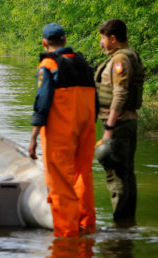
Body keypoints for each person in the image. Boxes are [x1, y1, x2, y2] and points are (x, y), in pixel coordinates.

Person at [28, 23, 97, 237]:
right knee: (82, 176)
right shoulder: (83, 63)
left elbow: (43, 102)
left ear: (44, 42)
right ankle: (86, 227)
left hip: (61, 131)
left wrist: (33, 138)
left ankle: (67, 236)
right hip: (87, 127)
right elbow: (96, 99)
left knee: (60, 181)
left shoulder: (49, 65)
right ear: (65, 41)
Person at [94, 19, 144, 223]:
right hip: (127, 123)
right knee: (127, 175)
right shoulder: (127, 56)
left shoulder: (120, 60)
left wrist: (108, 128)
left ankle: (120, 228)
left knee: (117, 178)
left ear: (113, 39)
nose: (101, 43)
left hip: (119, 124)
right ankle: (128, 226)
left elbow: (120, 95)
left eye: (103, 39)